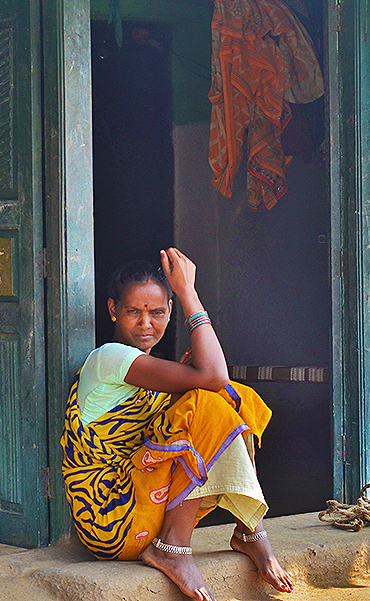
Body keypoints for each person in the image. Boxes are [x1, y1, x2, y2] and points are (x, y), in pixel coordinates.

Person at [61, 248, 294, 601]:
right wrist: (188, 293)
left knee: (233, 397)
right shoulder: (109, 358)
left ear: (168, 312)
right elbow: (213, 375)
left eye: (156, 312)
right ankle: (175, 547)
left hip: (143, 511)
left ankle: (248, 530)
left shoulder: (146, 371)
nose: (145, 323)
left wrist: (195, 383)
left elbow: (218, 382)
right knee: (206, 401)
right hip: (112, 519)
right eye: (133, 312)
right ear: (113, 311)